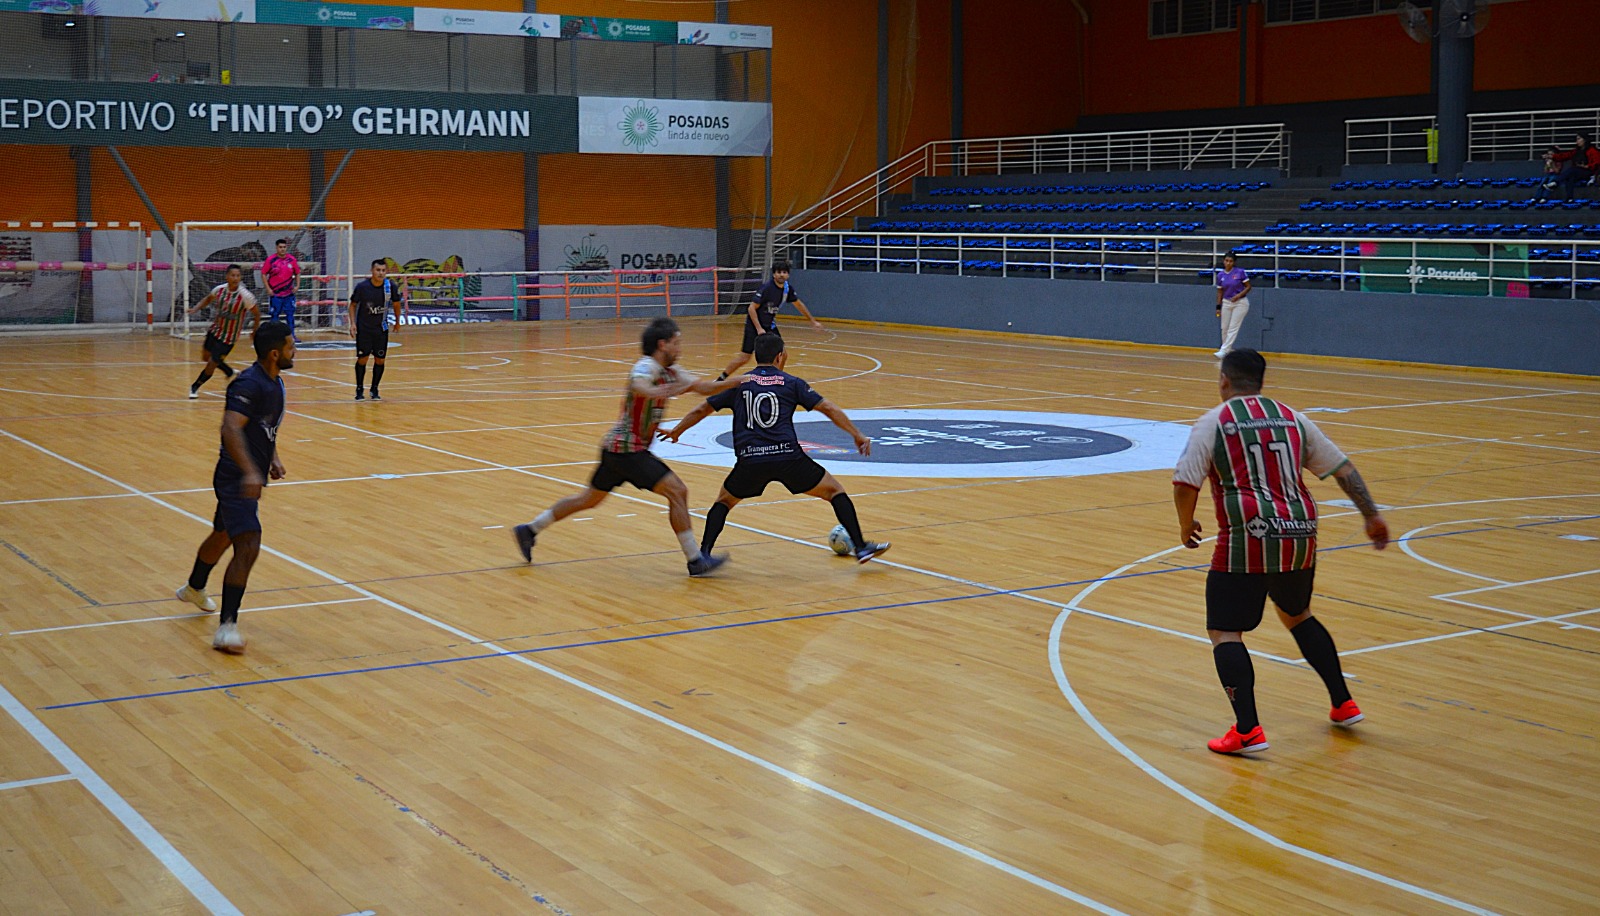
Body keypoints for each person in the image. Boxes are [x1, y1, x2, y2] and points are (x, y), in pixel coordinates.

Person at [1171, 348, 1389, 755]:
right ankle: (1343, 703)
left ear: (1223, 381)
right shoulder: (1292, 418)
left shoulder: (1214, 422)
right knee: (1297, 613)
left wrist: (1186, 524)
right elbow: (1344, 470)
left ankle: (1248, 730)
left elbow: (1185, 482)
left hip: (1249, 533)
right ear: (1260, 382)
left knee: (1225, 631)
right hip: (1300, 531)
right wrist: (1371, 515)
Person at [512, 317, 747, 576]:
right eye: (676, 343)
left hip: (616, 449)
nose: (680, 348)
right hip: (628, 450)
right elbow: (638, 383)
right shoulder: (646, 366)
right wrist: (657, 392)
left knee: (588, 499)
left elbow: (703, 387)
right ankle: (695, 560)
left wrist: (739, 381)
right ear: (662, 344)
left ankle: (530, 529)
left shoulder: (672, 371)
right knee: (677, 491)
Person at [663, 333, 891, 564]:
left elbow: (701, 409)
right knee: (835, 492)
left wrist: (677, 431)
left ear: (756, 356)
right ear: (780, 356)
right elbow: (829, 408)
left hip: (751, 460)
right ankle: (860, 547)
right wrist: (856, 434)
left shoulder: (738, 383)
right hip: (788, 458)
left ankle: (703, 553)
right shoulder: (792, 383)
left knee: (724, 502)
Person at [175, 320, 295, 652]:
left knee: (223, 534)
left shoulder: (275, 382)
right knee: (249, 543)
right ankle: (227, 628)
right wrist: (250, 472)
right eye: (290, 346)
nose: (294, 350)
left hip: (247, 474)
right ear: (275, 354)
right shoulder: (249, 384)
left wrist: (272, 457)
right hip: (234, 477)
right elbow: (230, 428)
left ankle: (194, 587)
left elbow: (264, 427)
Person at [716, 261, 823, 381]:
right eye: (779, 272)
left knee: (782, 354)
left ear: (788, 275)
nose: (781, 275)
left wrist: (812, 321)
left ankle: (776, 379)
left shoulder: (787, 289)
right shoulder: (767, 288)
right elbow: (751, 308)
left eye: (784, 272)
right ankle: (721, 379)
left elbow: (798, 304)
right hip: (754, 325)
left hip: (769, 326)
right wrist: (759, 329)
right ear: (774, 274)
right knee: (745, 357)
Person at [187, 264, 260, 399]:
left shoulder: (245, 296)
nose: (235, 278)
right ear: (227, 276)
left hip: (229, 337)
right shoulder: (219, 290)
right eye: (233, 275)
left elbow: (256, 314)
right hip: (215, 330)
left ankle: (194, 386)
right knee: (206, 357)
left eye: (238, 276)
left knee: (212, 363)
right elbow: (208, 299)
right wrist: (196, 308)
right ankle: (229, 371)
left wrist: (254, 330)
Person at [348, 258, 404, 400]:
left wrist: (397, 322)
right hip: (364, 329)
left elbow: (396, 305)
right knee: (363, 358)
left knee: (380, 359)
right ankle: (359, 389)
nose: (380, 273)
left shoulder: (390, 286)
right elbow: (353, 305)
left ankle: (374, 389)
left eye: (383, 270)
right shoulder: (362, 287)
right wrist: (353, 323)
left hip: (381, 329)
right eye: (378, 270)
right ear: (372, 271)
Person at [1537, 134, 1599, 201]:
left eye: (1579, 139)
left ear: (1585, 140)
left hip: (1589, 172)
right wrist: (1551, 156)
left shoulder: (1592, 150)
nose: (1577, 141)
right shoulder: (1576, 151)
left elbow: (1597, 163)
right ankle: (1569, 198)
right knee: (1569, 177)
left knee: (1572, 170)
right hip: (1578, 172)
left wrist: (1587, 166)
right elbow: (1565, 156)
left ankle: (1555, 182)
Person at [261, 238, 302, 340]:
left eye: (284, 247)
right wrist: (268, 289)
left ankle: (292, 336)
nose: (282, 249)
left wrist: (297, 286)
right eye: (280, 247)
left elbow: (297, 273)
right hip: (275, 294)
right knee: (275, 315)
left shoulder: (292, 260)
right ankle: (273, 337)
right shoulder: (270, 260)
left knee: (290, 315)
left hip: (289, 294)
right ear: (276, 248)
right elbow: (263, 274)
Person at [1213, 251, 1251, 360]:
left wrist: (1238, 296)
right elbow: (1220, 292)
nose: (1228, 263)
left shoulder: (1240, 272)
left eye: (1230, 261)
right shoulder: (1220, 275)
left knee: (1233, 327)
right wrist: (1218, 306)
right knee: (1224, 327)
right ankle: (1226, 350)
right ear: (1223, 261)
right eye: (1226, 261)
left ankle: (1223, 350)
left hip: (1240, 303)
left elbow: (1248, 287)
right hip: (1226, 302)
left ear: (1234, 262)